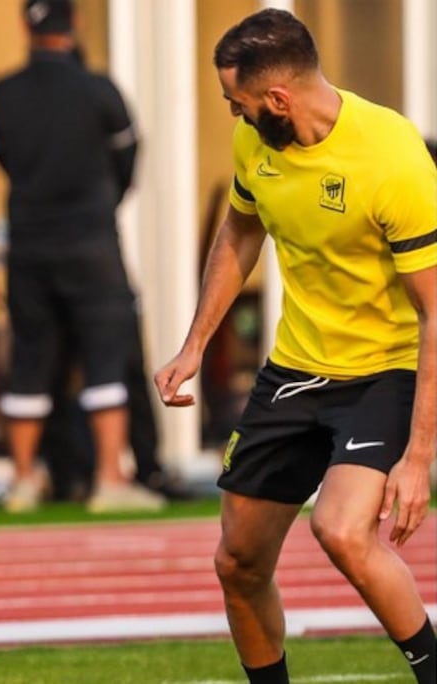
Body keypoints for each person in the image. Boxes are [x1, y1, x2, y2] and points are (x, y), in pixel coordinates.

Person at [155, 10, 436, 684]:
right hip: (294, 372)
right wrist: (196, 343)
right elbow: (238, 234)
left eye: (239, 104)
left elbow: (436, 311)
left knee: (341, 531)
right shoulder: (257, 147)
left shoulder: (393, 159)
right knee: (237, 564)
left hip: (384, 372)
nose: (234, 115)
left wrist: (419, 456)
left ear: (278, 100)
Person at [0, 0, 166, 513]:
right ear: (76, 24)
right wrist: (101, 202)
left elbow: (0, 151)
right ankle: (110, 478)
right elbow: (128, 161)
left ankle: (22, 480)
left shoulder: (5, 93)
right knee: (105, 356)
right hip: (91, 241)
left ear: (25, 26)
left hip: (28, 240)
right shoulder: (98, 91)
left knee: (30, 356)